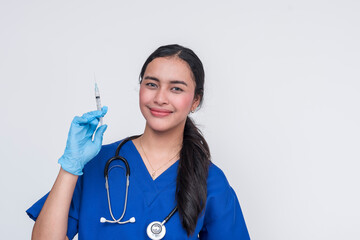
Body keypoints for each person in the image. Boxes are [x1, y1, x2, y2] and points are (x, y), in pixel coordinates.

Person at [26, 44, 250, 239]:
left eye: (176, 89)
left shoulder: (211, 180)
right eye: (152, 84)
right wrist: (69, 167)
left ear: (195, 100)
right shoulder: (96, 163)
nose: (160, 98)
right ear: (141, 87)